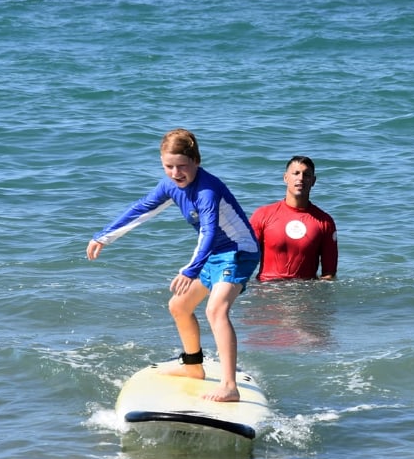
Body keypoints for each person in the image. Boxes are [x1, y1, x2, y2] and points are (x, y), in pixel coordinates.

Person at [85, 129, 258, 402]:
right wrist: (103, 237)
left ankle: (229, 385)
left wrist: (190, 270)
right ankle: (193, 368)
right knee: (179, 306)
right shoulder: (169, 186)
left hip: (238, 252)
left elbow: (209, 232)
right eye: (169, 166)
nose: (176, 173)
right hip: (212, 253)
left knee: (216, 309)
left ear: (196, 161)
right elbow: (141, 209)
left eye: (182, 166)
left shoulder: (207, 190)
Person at [249, 155, 338, 281]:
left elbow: (329, 274)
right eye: (296, 173)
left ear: (313, 181)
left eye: (306, 175)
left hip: (305, 293)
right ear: (285, 178)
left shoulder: (325, 222)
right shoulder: (263, 214)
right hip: (267, 290)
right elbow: (243, 258)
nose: (300, 178)